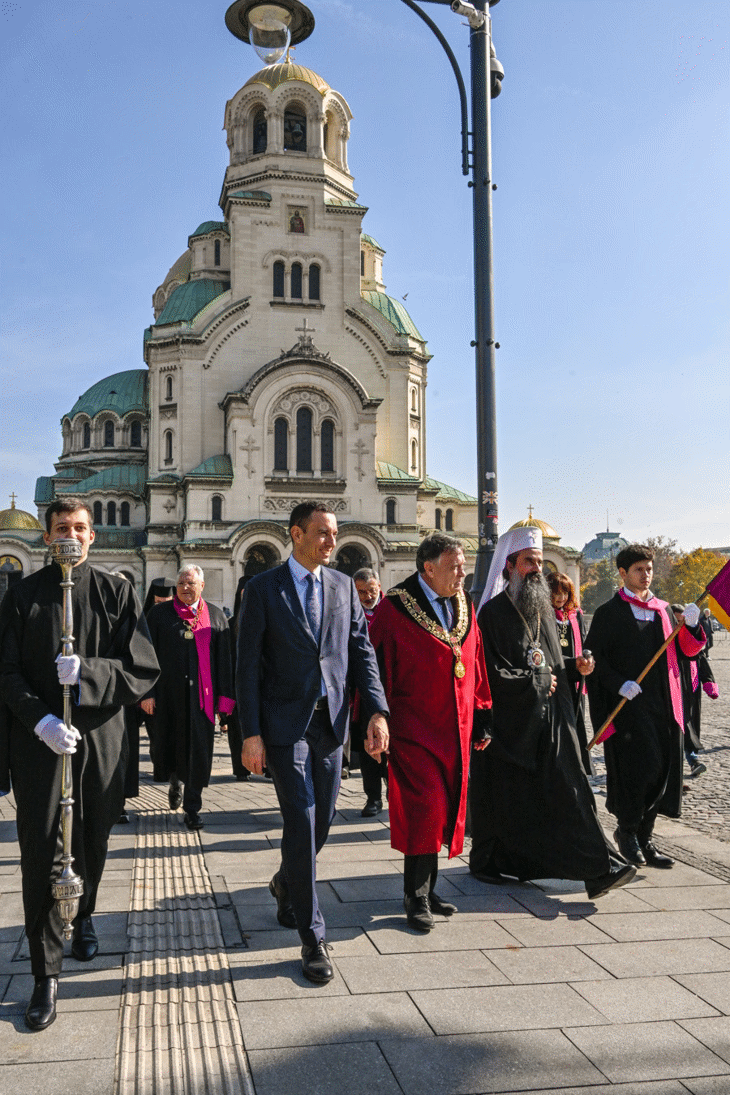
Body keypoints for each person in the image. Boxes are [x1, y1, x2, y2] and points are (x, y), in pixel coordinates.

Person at [0, 498, 159, 1031]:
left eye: (81, 528)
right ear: (46, 538)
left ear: (94, 536)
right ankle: (45, 974)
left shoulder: (116, 591)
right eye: (62, 528)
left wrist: (88, 672)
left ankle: (84, 914)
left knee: (91, 837)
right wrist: (40, 721)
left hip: (99, 740)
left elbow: (142, 668)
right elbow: (6, 672)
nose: (72, 535)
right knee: (42, 844)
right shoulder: (23, 597)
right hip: (40, 743)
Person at [236, 502, 389, 984]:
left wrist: (378, 711)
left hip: (332, 724)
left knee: (320, 820)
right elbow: (246, 665)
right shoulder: (262, 589)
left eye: (335, 533)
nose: (331, 541)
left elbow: (361, 651)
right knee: (300, 818)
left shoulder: (344, 587)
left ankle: (286, 882)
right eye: (322, 533)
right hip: (284, 726)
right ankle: (312, 936)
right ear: (295, 534)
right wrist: (250, 733)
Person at [471, 526, 635, 899]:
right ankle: (494, 861)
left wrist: (577, 667)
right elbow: (490, 675)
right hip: (513, 728)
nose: (536, 569)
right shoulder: (492, 615)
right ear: (509, 566)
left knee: (573, 791)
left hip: (553, 723)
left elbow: (553, 664)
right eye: (529, 561)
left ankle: (600, 867)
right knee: (516, 800)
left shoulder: (543, 607)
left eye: (540, 562)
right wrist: (537, 683)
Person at [369, 534, 492, 931]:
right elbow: (375, 671)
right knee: (426, 809)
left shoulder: (464, 604)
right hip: (413, 730)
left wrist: (483, 711)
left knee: (447, 809)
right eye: (455, 566)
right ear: (428, 568)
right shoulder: (393, 609)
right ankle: (415, 895)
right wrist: (375, 719)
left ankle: (430, 886)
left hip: (456, 725)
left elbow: (476, 660)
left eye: (463, 565)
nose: (462, 573)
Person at [586, 544, 706, 869]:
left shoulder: (663, 610)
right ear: (622, 573)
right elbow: (593, 659)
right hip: (628, 706)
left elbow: (688, 650)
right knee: (640, 771)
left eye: (649, 568)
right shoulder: (609, 613)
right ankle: (627, 833)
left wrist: (693, 626)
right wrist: (618, 682)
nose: (646, 574)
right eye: (639, 569)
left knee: (662, 773)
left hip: (665, 702)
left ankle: (646, 837)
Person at [142, 565, 235, 831]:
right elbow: (145, 656)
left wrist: (225, 703)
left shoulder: (216, 617)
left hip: (201, 702)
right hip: (167, 697)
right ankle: (174, 780)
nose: (185, 587)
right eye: (181, 583)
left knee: (199, 752)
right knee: (169, 746)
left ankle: (193, 807)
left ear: (201, 586)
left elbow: (224, 663)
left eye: (190, 583)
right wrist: (147, 693)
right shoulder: (159, 615)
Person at [547, 571, 593, 775]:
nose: (561, 598)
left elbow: (583, 642)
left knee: (576, 723)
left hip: (575, 680)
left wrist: (586, 658)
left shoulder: (576, 615)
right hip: (555, 678)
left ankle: (578, 765)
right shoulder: (545, 615)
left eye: (565, 593)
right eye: (556, 593)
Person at [351, 567, 388, 816]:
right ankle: (373, 798)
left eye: (371, 590)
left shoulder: (393, 612)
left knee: (392, 748)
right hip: (361, 693)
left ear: (379, 587)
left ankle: (395, 793)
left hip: (391, 691)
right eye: (361, 592)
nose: (367, 596)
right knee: (368, 746)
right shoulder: (348, 613)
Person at [671, 604, 718, 779]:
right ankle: (691, 761)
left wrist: (709, 683)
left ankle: (693, 760)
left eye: (681, 620)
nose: (679, 623)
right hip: (672, 689)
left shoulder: (690, 638)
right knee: (678, 727)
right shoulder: (665, 640)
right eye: (676, 621)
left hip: (691, 689)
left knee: (690, 724)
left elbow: (701, 660)